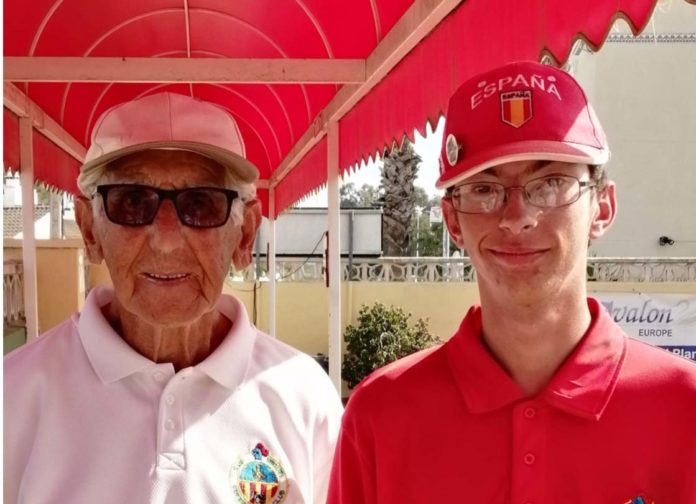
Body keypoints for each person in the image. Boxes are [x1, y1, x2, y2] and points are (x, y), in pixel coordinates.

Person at [327, 61, 696, 502]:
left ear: (602, 207)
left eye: (550, 183)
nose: (517, 217)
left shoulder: (683, 408)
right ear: (452, 221)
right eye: (485, 189)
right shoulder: (381, 415)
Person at [4, 92, 343, 504]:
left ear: (246, 235)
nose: (165, 240)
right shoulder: (14, 395)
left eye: (200, 204)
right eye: (132, 201)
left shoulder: (304, 396)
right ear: (90, 230)